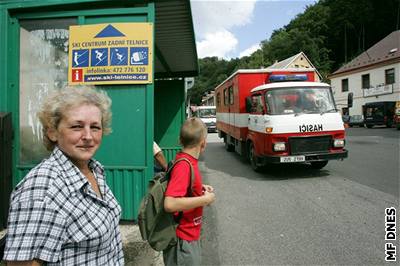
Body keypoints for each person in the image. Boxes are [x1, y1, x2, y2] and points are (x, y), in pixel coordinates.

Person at [3, 86, 124, 265]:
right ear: (52, 132)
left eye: (95, 127)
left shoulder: (94, 170)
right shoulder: (44, 187)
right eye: (77, 126)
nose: (88, 136)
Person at [163, 117, 216, 266]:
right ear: (203, 143)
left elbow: (183, 185)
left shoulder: (186, 160)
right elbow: (170, 203)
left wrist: (200, 187)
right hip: (183, 240)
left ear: (180, 140)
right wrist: (205, 199)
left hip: (190, 236)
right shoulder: (184, 166)